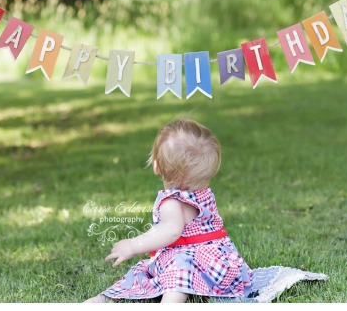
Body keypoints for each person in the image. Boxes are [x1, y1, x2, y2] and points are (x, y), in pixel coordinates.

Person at [85, 118, 252, 302]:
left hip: (188, 262)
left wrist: (133, 245)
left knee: (173, 272)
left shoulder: (170, 202)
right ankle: (108, 298)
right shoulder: (204, 193)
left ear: (157, 166)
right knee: (151, 269)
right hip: (218, 265)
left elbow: (171, 231)